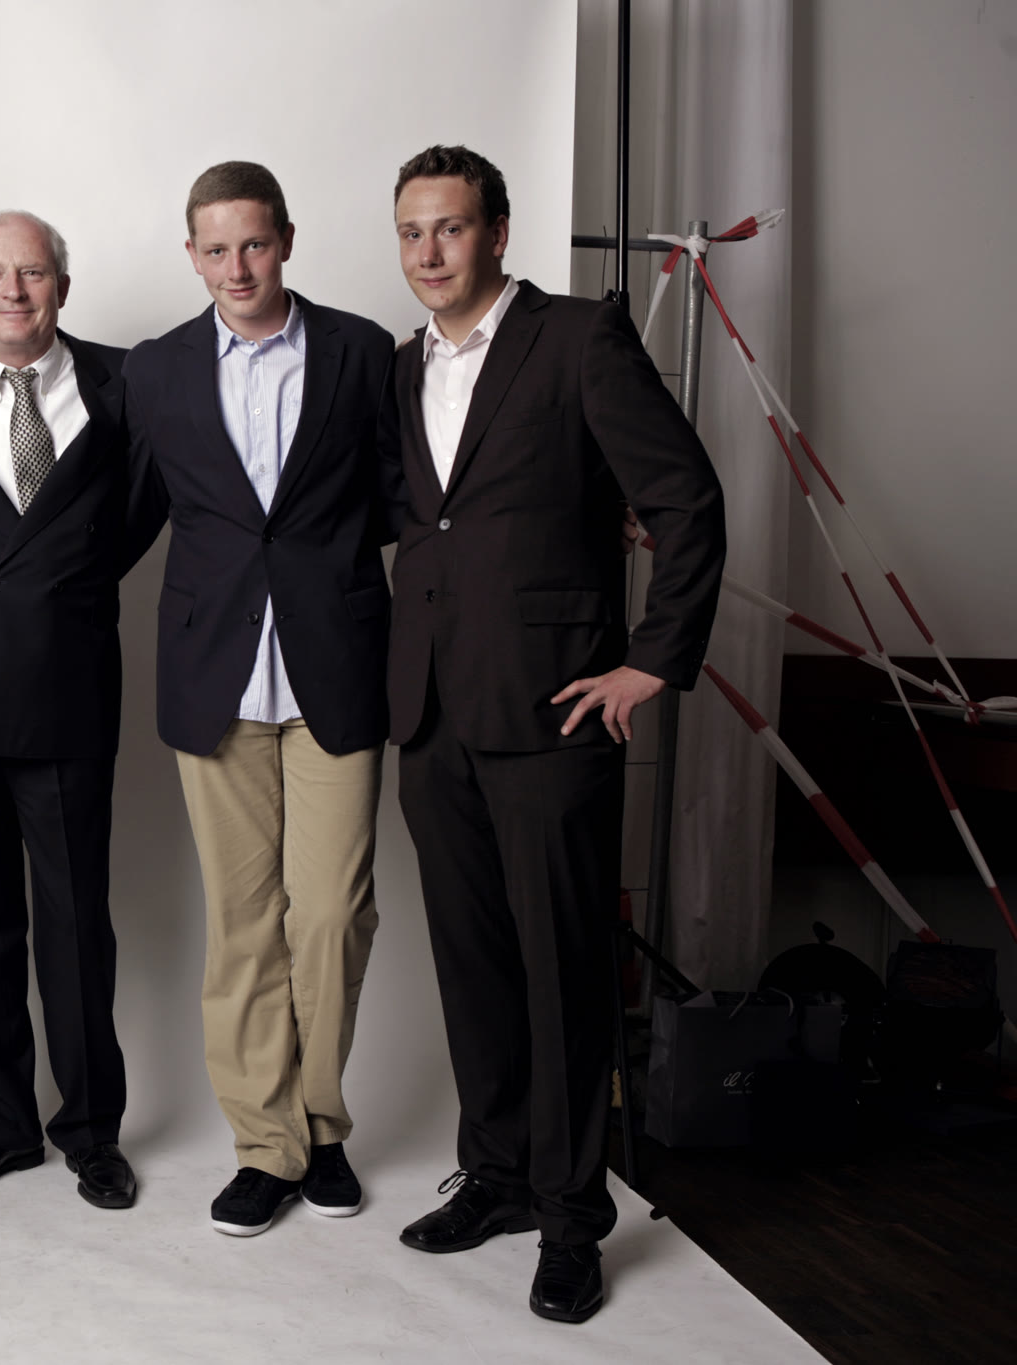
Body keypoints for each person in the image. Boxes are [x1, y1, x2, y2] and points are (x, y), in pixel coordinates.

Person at [381, 145, 726, 1323]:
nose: (429, 252)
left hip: (551, 710)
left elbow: (684, 499)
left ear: (496, 232)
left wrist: (651, 661)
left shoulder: (579, 338)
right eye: (411, 232)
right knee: (472, 966)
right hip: (430, 713)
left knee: (563, 971)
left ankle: (573, 1218)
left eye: (450, 228)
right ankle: (494, 1176)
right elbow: (426, 523)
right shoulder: (398, 368)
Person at [121, 162, 396, 1238]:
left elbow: (407, 493)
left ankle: (321, 1124)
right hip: (213, 675)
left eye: (253, 244)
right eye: (215, 249)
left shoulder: (361, 352)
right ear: (191, 256)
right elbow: (127, 511)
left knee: (329, 915)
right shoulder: (157, 369)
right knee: (242, 926)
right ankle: (266, 1146)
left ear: (285, 240)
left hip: (337, 664)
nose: (236, 267)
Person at [0, 212, 161, 1211]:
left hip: (66, 676)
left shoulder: (125, 383)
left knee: (74, 922)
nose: (13, 290)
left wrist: (57, 582)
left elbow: (137, 511)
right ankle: (3, 1122)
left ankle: (91, 1129)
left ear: (62, 285)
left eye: (34, 272)